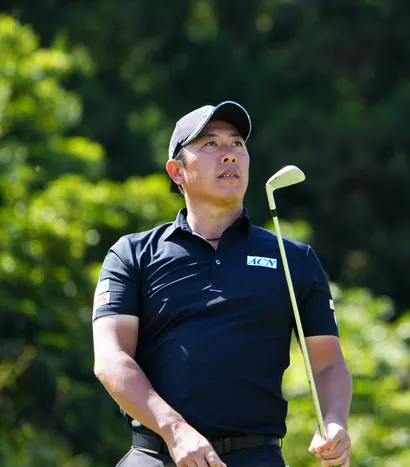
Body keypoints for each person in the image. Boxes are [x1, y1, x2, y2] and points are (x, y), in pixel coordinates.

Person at [92, 101, 353, 467]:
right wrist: (174, 430)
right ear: (177, 171)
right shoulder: (133, 253)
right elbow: (111, 359)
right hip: (157, 455)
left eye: (237, 144)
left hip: (256, 457)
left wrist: (334, 421)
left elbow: (327, 363)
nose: (229, 154)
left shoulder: (293, 257)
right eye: (210, 144)